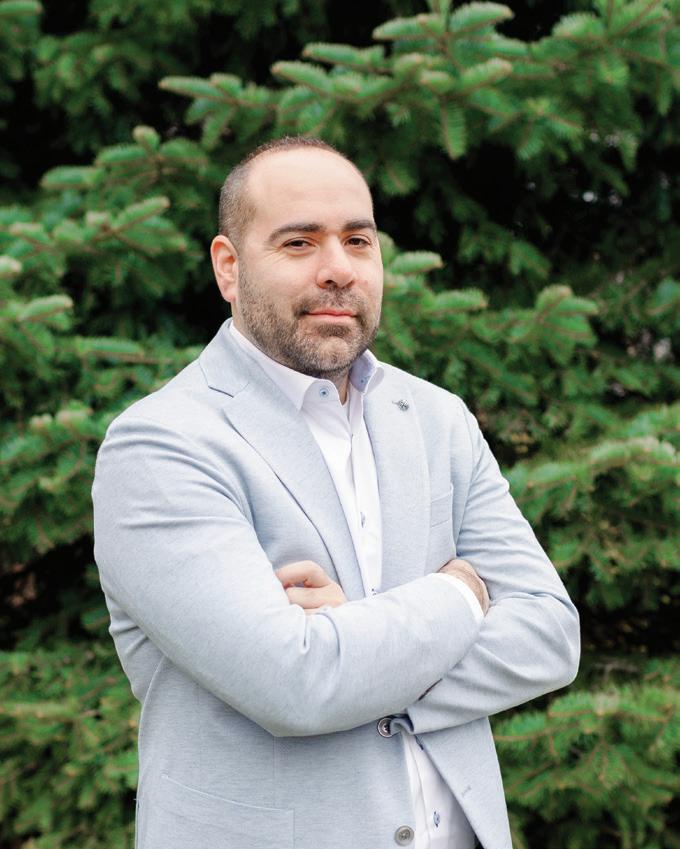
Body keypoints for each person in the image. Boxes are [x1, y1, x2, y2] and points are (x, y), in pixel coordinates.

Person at [92, 136, 580, 849]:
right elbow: (294, 682)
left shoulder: (436, 418)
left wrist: (353, 639)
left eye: (358, 240)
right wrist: (461, 595)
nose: (338, 269)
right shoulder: (163, 444)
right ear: (228, 267)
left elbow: (549, 634)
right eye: (299, 243)